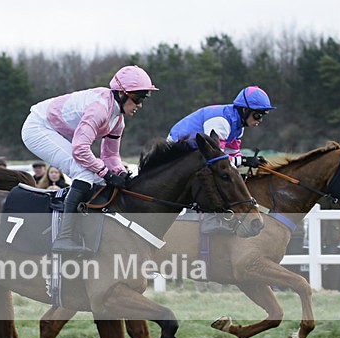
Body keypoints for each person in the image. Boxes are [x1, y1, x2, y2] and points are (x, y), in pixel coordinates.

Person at [21, 65, 158, 253]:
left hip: (57, 131)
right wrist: (107, 173)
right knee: (84, 172)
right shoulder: (99, 109)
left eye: (143, 99)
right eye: (138, 98)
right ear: (121, 93)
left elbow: (110, 156)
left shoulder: (117, 120)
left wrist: (120, 173)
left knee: (98, 178)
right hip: (38, 128)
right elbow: (80, 150)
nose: (140, 105)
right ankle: (64, 237)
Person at [168, 86, 276, 169]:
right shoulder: (222, 122)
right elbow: (217, 159)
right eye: (257, 115)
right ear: (245, 110)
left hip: (195, 151)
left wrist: (249, 161)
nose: (260, 120)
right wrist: (245, 161)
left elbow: (233, 153)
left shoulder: (238, 127)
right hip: (177, 150)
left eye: (263, 116)